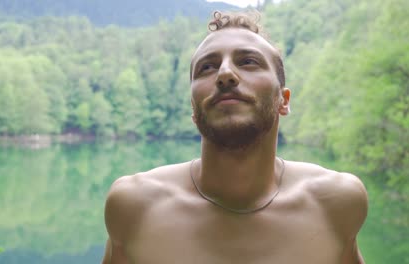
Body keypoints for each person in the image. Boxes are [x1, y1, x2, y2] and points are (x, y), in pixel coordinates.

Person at [102, 10, 368, 264]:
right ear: (193, 109)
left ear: (283, 101)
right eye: (207, 67)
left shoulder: (336, 204)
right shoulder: (134, 207)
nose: (225, 74)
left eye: (248, 61)